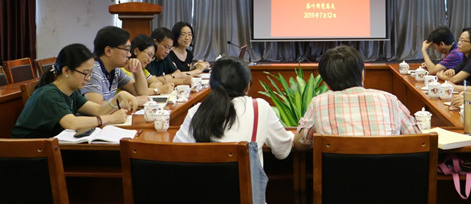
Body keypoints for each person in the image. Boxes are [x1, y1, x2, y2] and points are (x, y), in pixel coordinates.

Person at [174, 57, 293, 204]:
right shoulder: (259, 108)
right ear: (247, 87)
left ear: (211, 85)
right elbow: (283, 151)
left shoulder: (196, 111)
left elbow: (177, 157)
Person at [294, 45, 420, 150]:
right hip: (388, 178)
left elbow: (301, 143)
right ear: (363, 75)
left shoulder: (319, 103)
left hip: (337, 179)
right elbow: (416, 138)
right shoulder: (389, 99)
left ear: (325, 83)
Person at [12, 44, 137, 138]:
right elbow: (72, 123)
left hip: (48, 148)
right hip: (26, 154)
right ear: (66, 71)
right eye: (85, 73)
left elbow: (98, 110)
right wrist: (110, 119)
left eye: (90, 74)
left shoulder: (72, 91)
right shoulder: (49, 94)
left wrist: (117, 99)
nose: (88, 79)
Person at [80, 26, 149, 106]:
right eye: (126, 50)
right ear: (108, 51)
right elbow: (96, 106)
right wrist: (132, 101)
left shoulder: (115, 70)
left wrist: (138, 71)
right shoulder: (93, 70)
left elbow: (142, 94)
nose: (129, 54)